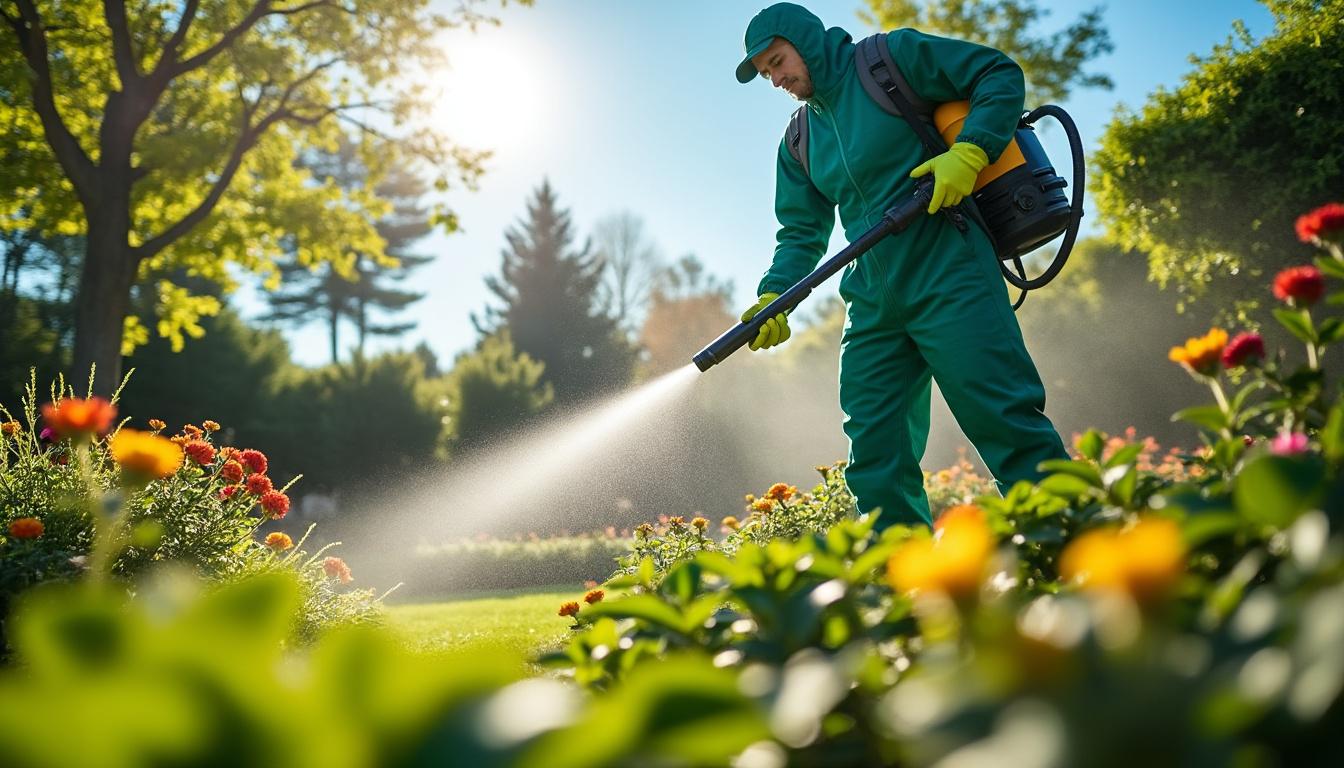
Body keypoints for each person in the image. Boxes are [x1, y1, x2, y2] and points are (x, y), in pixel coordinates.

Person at [734, 2, 1069, 529]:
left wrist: (972, 152)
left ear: (807, 41)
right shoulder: (798, 139)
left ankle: (1073, 553)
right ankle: (902, 589)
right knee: (874, 453)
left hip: (948, 267)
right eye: (765, 73)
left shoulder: (889, 60)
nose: (775, 79)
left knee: (1004, 420)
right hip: (871, 298)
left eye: (778, 61)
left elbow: (997, 72)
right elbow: (800, 232)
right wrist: (777, 293)